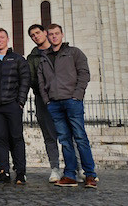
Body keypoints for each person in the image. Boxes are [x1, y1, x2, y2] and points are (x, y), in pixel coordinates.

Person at [38, 24, 97, 189]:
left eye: (57, 33)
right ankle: (70, 174)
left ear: (62, 35)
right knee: (64, 140)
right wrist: (47, 100)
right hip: (54, 103)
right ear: (48, 36)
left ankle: (90, 174)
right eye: (51, 34)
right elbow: (41, 81)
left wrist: (77, 95)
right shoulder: (44, 58)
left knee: (80, 137)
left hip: (72, 101)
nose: (54, 36)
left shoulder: (74, 52)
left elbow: (84, 73)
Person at [0, 28, 30, 185]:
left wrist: (20, 101)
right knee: (0, 139)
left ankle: (20, 172)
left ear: (7, 39)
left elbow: (25, 80)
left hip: (12, 105)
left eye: (2, 37)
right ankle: (4, 171)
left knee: (16, 138)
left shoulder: (17, 59)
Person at [27, 24, 62, 183]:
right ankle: (55, 168)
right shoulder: (32, 57)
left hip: (63, 97)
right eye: (32, 35)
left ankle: (76, 167)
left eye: (37, 33)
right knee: (49, 135)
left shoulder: (59, 50)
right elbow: (32, 79)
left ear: (45, 33)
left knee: (69, 134)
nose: (36, 37)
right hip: (42, 99)